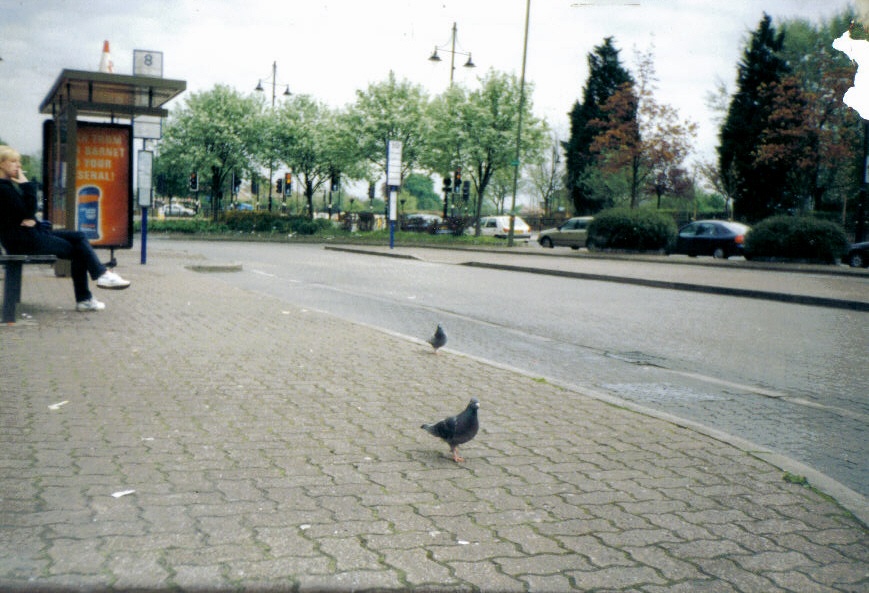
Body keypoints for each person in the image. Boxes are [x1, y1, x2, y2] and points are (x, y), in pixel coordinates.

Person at [0, 145, 130, 312]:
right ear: (1, 164)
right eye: (13, 161)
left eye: (18, 161)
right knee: (79, 250)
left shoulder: (7, 186)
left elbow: (24, 214)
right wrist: (27, 186)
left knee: (79, 236)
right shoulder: (3, 188)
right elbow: (26, 211)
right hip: (23, 240)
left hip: (28, 234)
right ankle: (90, 291)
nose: (18, 165)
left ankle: (98, 280)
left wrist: (29, 218)